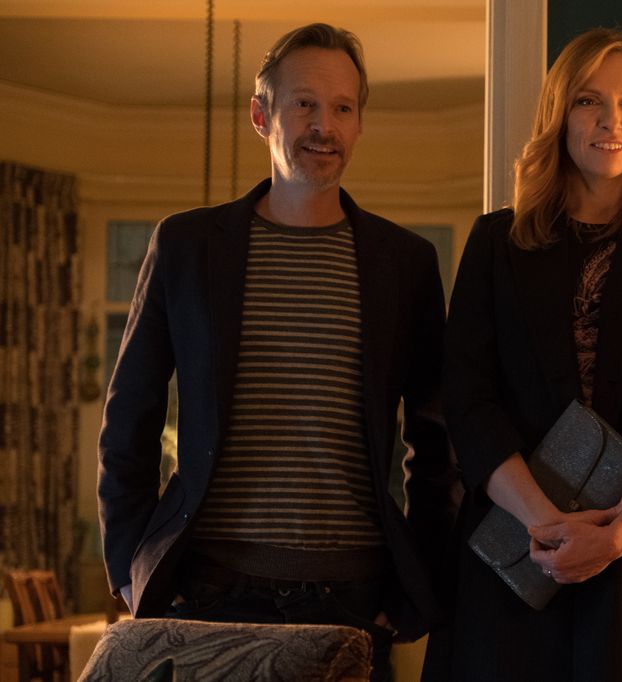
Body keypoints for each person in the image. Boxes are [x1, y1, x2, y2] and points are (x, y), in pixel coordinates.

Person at [97, 23, 454, 681]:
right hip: (207, 596)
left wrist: (421, 581)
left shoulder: (404, 264)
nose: (325, 126)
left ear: (359, 124)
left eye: (343, 108)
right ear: (262, 116)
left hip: (355, 603)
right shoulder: (185, 246)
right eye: (305, 104)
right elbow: (130, 419)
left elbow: (436, 444)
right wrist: (127, 564)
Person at [422, 28, 622, 681]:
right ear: (559, 115)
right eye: (589, 101)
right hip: (516, 548)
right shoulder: (496, 243)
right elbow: (468, 395)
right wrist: (543, 520)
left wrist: (619, 532)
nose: (611, 121)